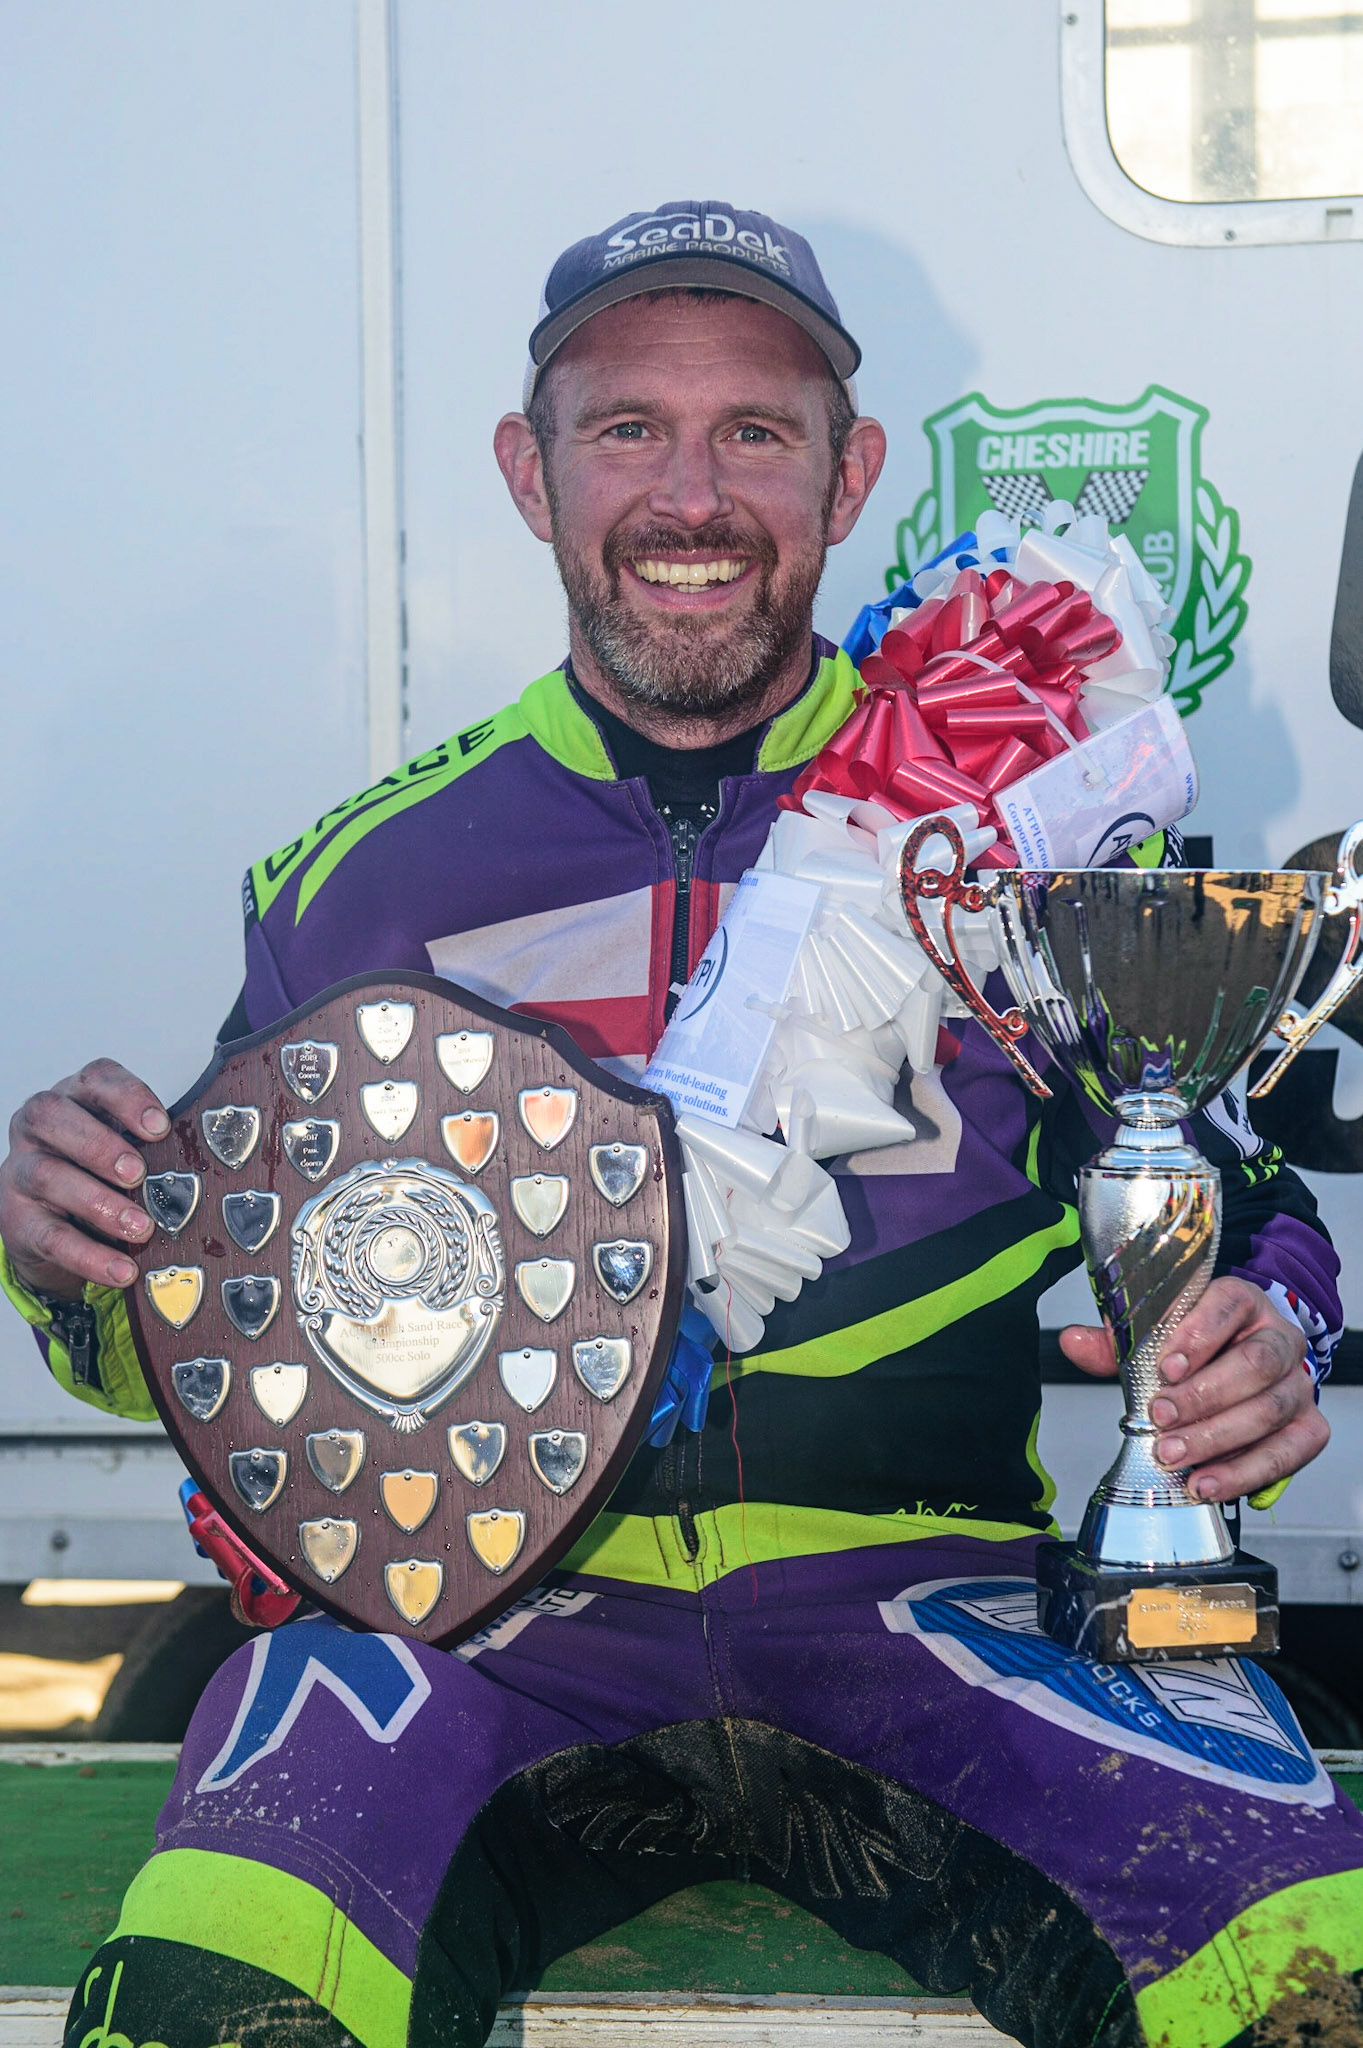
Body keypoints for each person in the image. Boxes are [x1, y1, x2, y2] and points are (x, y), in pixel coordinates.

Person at [1, 202, 1359, 2048]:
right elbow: (187, 1325)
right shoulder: (361, 883)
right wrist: (69, 1255)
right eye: (627, 427)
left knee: (1314, 1973)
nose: (691, 495)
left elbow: (1238, 1200)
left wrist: (1268, 1330)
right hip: (467, 1633)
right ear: (530, 470)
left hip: (933, 1609)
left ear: (850, 469)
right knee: (219, 1989)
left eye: (758, 433)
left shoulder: (1020, 823)